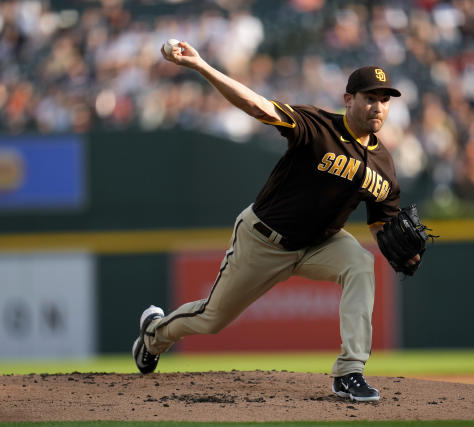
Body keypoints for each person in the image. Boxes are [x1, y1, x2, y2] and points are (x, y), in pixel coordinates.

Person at [132, 40, 419, 402]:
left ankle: (349, 372)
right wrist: (202, 66)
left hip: (321, 244)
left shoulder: (385, 167)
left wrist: (399, 250)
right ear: (349, 99)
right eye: (369, 97)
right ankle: (154, 334)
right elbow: (257, 105)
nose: (378, 106)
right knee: (211, 318)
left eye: (384, 99)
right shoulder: (317, 127)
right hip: (264, 239)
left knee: (360, 264)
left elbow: (382, 224)